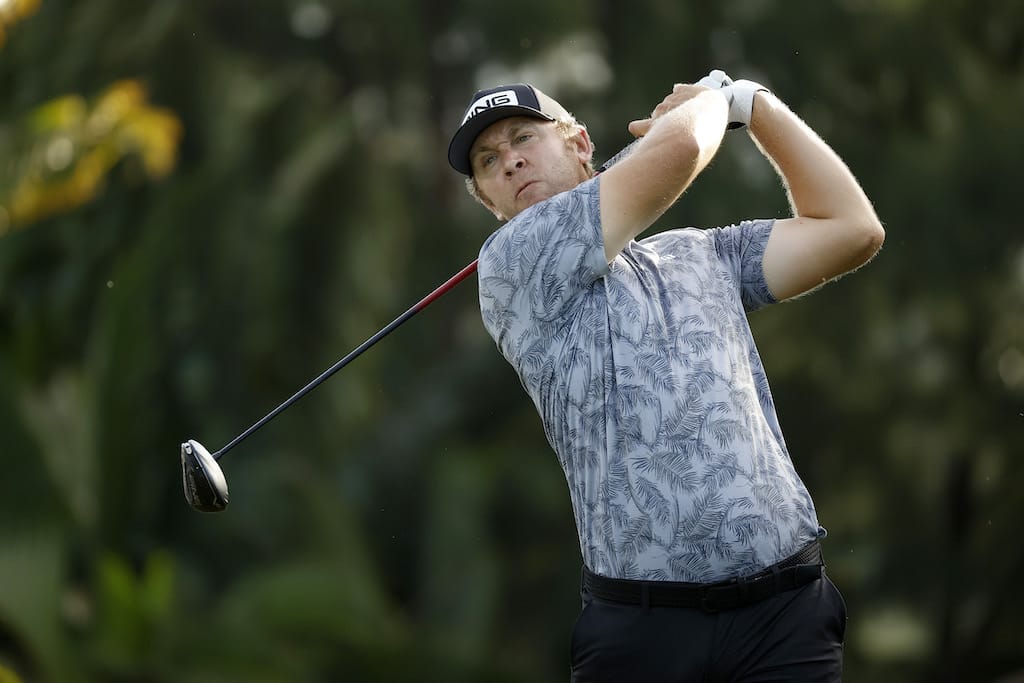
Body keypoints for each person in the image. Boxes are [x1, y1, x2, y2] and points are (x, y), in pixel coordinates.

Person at [447, 71, 884, 682]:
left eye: (524, 137)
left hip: (784, 615)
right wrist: (712, 102)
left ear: (580, 144)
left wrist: (755, 104)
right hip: (643, 633)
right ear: (492, 203)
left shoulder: (700, 252)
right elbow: (682, 148)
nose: (511, 161)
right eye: (489, 162)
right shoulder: (512, 265)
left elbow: (852, 230)